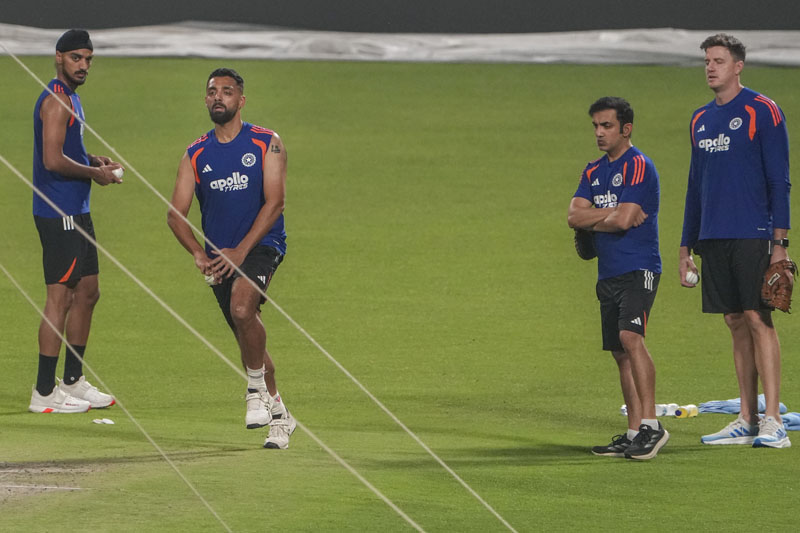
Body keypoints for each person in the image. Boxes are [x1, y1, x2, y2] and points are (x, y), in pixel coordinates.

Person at [167, 68, 296, 449]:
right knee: (248, 336)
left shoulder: (267, 143)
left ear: (241, 100)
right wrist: (197, 253)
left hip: (261, 246)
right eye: (212, 92)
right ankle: (281, 416)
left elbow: (276, 203)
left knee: (242, 308)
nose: (218, 97)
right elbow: (175, 214)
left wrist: (241, 250)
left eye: (226, 91)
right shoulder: (195, 154)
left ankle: (254, 390)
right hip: (220, 260)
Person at [680, 34, 792, 449]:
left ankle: (773, 419)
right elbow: (695, 186)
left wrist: (780, 241)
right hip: (713, 234)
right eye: (707, 61)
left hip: (753, 231)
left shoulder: (762, 110)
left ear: (738, 66)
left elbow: (779, 179)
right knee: (733, 320)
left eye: (719, 61)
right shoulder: (699, 119)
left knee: (758, 317)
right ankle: (746, 417)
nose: (711, 68)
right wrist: (686, 246)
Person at [568, 97, 668, 460]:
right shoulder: (593, 171)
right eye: (596, 126)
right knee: (619, 352)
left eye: (606, 125)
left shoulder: (639, 165)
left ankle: (652, 427)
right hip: (608, 272)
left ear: (626, 129)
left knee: (631, 338)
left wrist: (598, 216)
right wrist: (611, 212)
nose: (599, 132)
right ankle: (633, 431)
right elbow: (573, 216)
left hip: (639, 268)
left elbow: (625, 221)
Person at [28, 29, 122, 414]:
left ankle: (72, 380)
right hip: (58, 212)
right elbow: (52, 159)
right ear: (58, 57)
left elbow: (68, 149)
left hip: (77, 210)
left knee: (88, 292)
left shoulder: (72, 97)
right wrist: (93, 173)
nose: (83, 65)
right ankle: (43, 392)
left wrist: (91, 159)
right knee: (61, 297)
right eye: (76, 58)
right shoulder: (55, 100)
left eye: (88, 59)